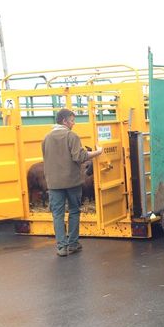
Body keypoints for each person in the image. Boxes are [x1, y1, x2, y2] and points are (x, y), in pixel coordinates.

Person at [42, 108, 103, 256]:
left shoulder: (46, 138)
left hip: (54, 183)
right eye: (72, 120)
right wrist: (97, 152)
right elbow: (80, 157)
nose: (73, 124)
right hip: (72, 182)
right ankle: (73, 243)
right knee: (74, 211)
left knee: (57, 214)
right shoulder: (71, 136)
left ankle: (61, 247)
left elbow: (46, 156)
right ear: (64, 121)